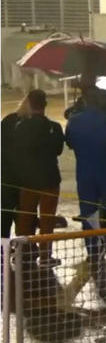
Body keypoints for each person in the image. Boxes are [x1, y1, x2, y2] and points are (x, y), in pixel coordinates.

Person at [65, 89, 106, 263]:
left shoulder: (74, 121)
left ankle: (93, 250)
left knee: (89, 212)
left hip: (85, 172)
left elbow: (69, 142)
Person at [13, 90, 65, 268]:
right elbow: (58, 150)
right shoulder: (55, 127)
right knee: (47, 219)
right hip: (49, 178)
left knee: (25, 217)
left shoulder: (20, 126)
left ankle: (23, 253)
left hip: (27, 179)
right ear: (45, 105)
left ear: (29, 103)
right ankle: (45, 256)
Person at [1, 97, 29, 239]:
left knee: (4, 219)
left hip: (5, 178)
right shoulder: (29, 125)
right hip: (21, 179)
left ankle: (3, 252)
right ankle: (24, 252)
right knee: (23, 218)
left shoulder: (8, 120)